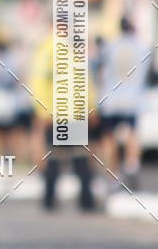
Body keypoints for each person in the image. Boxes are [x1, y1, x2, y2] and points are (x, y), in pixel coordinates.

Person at [30, 32, 97, 210]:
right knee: (63, 158)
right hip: (59, 113)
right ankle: (62, 200)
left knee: (72, 158)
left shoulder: (63, 48)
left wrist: (90, 106)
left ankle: (71, 200)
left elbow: (84, 81)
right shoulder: (53, 49)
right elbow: (40, 81)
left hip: (67, 113)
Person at [98, 17, 149, 191]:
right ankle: (132, 164)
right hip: (132, 99)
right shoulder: (142, 47)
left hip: (112, 99)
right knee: (133, 134)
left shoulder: (111, 46)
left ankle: (113, 174)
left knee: (110, 137)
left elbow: (102, 69)